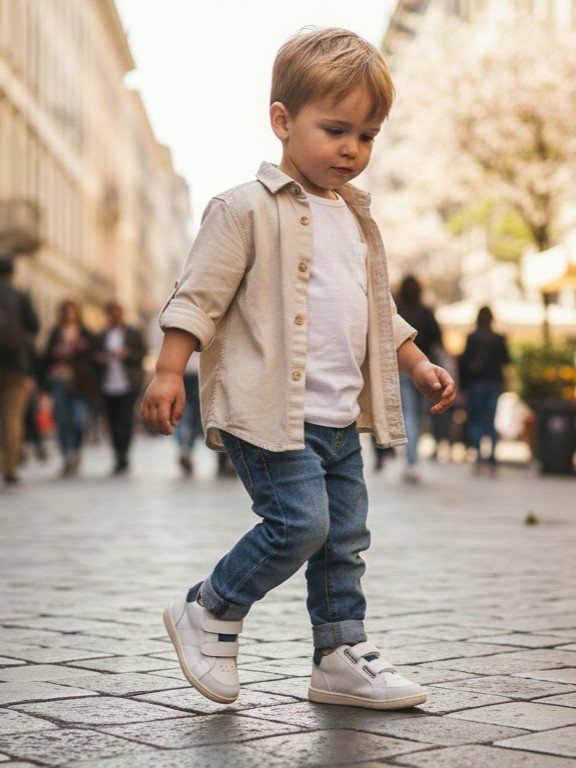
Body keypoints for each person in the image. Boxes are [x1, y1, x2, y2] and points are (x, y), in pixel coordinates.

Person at [141, 28, 455, 710]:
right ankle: (209, 607)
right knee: (300, 525)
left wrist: (418, 361)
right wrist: (169, 371)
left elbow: (378, 310)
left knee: (344, 540)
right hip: (269, 411)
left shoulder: (356, 218)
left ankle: (340, 653)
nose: (352, 150)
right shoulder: (243, 209)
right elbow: (197, 297)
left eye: (368, 136)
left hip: (338, 418)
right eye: (336, 130)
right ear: (283, 121)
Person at [395, 275, 445, 482]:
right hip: (425, 369)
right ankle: (413, 461)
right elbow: (438, 340)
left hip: (400, 368)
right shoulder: (426, 312)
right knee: (417, 416)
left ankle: (410, 460)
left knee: (408, 415)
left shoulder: (397, 311)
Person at [43, 299, 97, 477]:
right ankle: (67, 456)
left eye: (72, 311)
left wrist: (81, 349)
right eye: (66, 311)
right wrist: (56, 352)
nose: (69, 314)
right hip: (60, 379)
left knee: (78, 420)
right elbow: (45, 356)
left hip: (79, 382)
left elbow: (94, 356)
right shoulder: (55, 332)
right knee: (62, 419)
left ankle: (76, 451)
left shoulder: (85, 332)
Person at [0, 252, 40, 485]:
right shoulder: (21, 296)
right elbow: (34, 326)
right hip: (16, 367)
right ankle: (10, 469)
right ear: (13, 272)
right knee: (13, 418)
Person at [94, 302, 146, 475]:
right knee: (112, 423)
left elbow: (142, 353)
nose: (115, 317)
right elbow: (93, 356)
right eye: (112, 314)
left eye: (118, 313)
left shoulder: (132, 333)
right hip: (107, 385)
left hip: (127, 385)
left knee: (125, 421)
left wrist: (127, 354)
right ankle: (117, 456)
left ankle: (124, 455)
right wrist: (100, 358)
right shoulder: (102, 335)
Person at [459, 305, 510, 474]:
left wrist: (462, 387)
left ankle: (479, 456)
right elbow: (507, 360)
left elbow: (464, 363)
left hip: (476, 383)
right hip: (494, 382)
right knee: (490, 419)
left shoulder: (472, 337)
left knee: (475, 420)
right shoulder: (498, 337)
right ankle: (493, 458)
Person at [174, 355, 203, 475]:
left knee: (185, 417)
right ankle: (185, 449)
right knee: (185, 417)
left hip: (186, 373)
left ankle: (185, 449)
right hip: (184, 374)